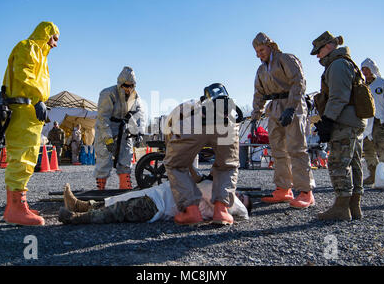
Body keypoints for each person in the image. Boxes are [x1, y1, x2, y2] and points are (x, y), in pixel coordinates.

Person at [2, 21, 60, 226]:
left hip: (30, 110)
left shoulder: (40, 54)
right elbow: (23, 74)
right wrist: (37, 98)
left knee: (27, 156)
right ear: (46, 33)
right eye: (53, 38)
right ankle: (16, 209)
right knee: (22, 157)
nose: (55, 44)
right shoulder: (30, 47)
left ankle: (14, 206)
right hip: (23, 109)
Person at [250, 32, 315, 209]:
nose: (259, 54)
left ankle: (306, 192)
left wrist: (292, 107)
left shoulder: (286, 59)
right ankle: (283, 188)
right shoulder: (261, 70)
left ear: (270, 46)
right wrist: (256, 116)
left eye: (261, 49)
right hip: (274, 107)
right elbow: (259, 93)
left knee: (297, 148)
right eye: (256, 51)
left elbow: (298, 82)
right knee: (278, 149)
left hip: (292, 104)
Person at [163, 83, 243, 226]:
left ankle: (192, 212)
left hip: (196, 121)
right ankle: (222, 211)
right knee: (227, 166)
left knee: (175, 165)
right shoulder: (219, 104)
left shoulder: (178, 113)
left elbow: (177, 153)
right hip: (228, 121)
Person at [311, 31, 366, 221]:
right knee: (353, 163)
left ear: (328, 47)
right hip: (353, 122)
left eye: (318, 51)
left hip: (343, 122)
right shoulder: (347, 63)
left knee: (338, 163)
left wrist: (327, 121)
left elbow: (338, 97)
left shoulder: (337, 65)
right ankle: (354, 206)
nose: (317, 56)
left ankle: (342, 208)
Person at [58, 178, 251, 225]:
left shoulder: (227, 200)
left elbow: (242, 212)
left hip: (158, 206)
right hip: (158, 194)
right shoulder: (218, 192)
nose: (239, 194)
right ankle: (80, 205)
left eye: (242, 197)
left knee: (118, 210)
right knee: (118, 200)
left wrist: (240, 201)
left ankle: (76, 217)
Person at [93, 66, 145, 190]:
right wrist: (108, 139)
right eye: (126, 85)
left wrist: (139, 133)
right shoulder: (108, 94)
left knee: (126, 156)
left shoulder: (135, 97)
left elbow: (139, 115)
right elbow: (102, 118)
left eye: (131, 85)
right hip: (107, 127)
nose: (129, 88)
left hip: (123, 128)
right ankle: (101, 188)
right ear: (120, 84)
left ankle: (124, 186)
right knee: (104, 157)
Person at [360, 58, 384, 187]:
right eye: (363, 69)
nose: (365, 72)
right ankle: (373, 174)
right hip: (365, 123)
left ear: (373, 68)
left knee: (383, 148)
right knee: (368, 149)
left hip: (380, 121)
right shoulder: (362, 86)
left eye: (367, 69)